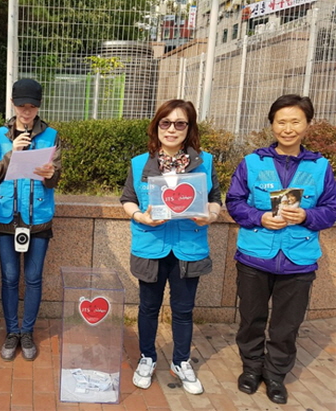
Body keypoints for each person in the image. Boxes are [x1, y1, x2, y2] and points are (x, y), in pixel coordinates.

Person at [225, 94, 336, 405]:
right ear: (272, 125)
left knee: (287, 325)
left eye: (295, 121)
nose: (288, 128)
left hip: (298, 260)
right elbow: (234, 202)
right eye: (282, 121)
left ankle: (275, 375)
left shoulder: (320, 167)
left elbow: (331, 209)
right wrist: (259, 216)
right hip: (255, 256)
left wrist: (306, 216)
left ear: (307, 125)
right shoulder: (252, 162)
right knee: (251, 318)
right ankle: (251, 369)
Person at [120, 99, 222, 395]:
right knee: (148, 308)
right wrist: (140, 216)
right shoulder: (141, 163)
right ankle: (147, 357)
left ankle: (180, 360)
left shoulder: (205, 162)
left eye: (180, 123)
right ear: (157, 126)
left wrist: (210, 215)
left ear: (189, 128)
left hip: (188, 246)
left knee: (183, 310)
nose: (172, 129)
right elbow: (127, 199)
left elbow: (215, 198)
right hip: (151, 245)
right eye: (166, 123)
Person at [0, 79, 62, 361]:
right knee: (9, 277)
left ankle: (27, 332)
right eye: (21, 106)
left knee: (32, 278)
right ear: (13, 104)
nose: (27, 112)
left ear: (39, 106)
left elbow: (56, 178)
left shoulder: (51, 135)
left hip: (38, 218)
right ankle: (12, 331)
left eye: (32, 107)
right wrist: (12, 153)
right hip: (6, 216)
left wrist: (49, 173)